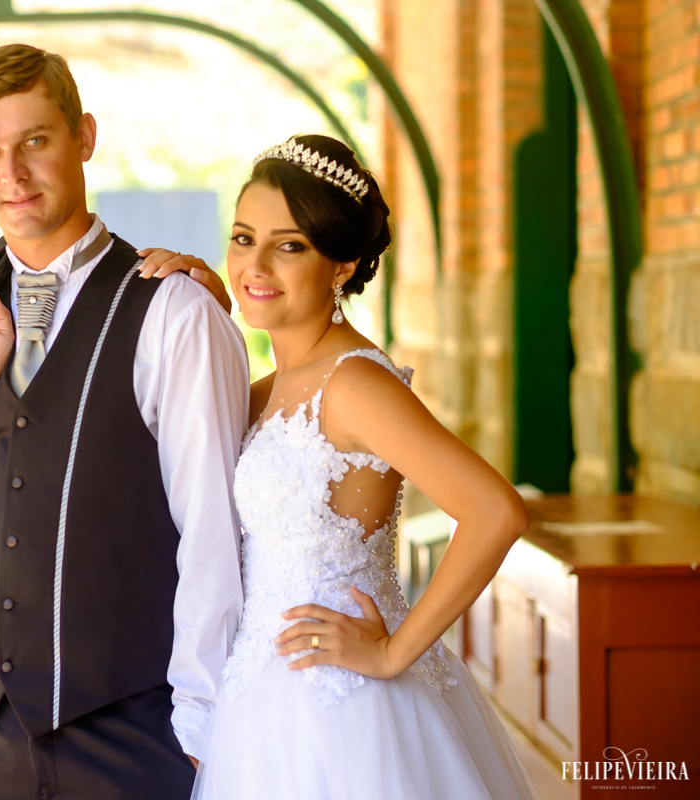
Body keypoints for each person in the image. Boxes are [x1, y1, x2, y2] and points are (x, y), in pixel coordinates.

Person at [0, 44, 248, 799]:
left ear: (84, 137)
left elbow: (214, 533)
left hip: (132, 735)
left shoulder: (173, 311)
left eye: (35, 142)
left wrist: (200, 729)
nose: (11, 176)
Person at [142, 133, 540, 799]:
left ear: (340, 264)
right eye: (243, 238)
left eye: (289, 245)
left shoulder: (355, 384)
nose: (255, 262)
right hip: (257, 698)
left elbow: (496, 511)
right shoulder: (267, 391)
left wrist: (391, 651)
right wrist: (207, 311)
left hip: (342, 706)